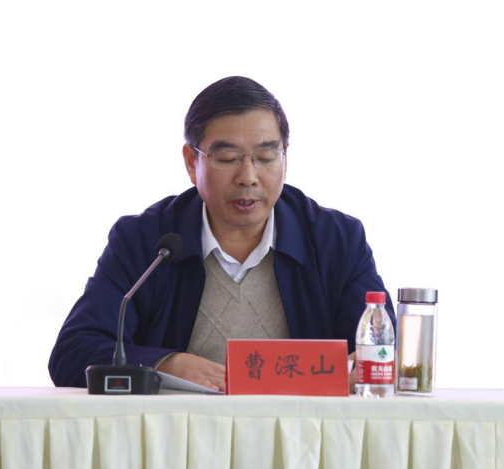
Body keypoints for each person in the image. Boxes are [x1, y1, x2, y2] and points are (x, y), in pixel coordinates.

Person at [48, 76, 395, 390]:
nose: (248, 177)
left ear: (285, 157)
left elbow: (383, 351)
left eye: (265, 156)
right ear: (191, 162)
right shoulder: (145, 240)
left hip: (299, 433)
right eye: (228, 158)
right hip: (179, 433)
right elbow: (72, 351)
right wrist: (165, 363)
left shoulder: (336, 240)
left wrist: (364, 367)